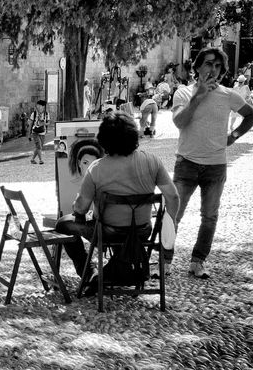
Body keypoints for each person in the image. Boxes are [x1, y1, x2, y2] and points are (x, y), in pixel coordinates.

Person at [55, 112, 179, 291]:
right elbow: (173, 196)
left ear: (104, 140)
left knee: (62, 224)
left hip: (107, 232)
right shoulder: (152, 161)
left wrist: (78, 207)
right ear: (133, 136)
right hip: (142, 231)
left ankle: (88, 271)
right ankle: (117, 268)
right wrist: (171, 221)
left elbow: (80, 208)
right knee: (125, 230)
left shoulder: (97, 168)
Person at [168, 47, 253, 278]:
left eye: (218, 66)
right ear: (198, 67)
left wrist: (234, 137)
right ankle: (164, 262)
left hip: (216, 165)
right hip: (186, 163)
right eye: (209, 64)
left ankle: (197, 261)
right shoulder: (183, 93)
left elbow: (252, 115)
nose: (213, 69)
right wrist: (198, 97)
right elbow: (180, 122)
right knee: (173, 214)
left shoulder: (228, 94)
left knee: (209, 216)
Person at [28, 99, 49, 165]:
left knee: (39, 147)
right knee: (39, 146)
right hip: (35, 132)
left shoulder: (46, 114)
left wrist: (43, 124)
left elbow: (48, 123)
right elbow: (30, 124)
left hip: (42, 132)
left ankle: (32, 159)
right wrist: (29, 134)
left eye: (40, 106)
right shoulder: (33, 114)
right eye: (38, 105)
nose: (38, 107)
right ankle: (41, 160)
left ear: (43, 106)